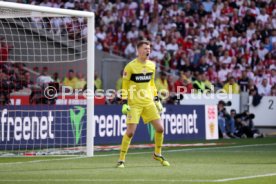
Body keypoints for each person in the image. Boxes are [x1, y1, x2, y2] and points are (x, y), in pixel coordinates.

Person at [117, 40, 170, 168]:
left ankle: (157, 154)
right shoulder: (130, 67)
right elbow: (125, 85)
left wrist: (156, 100)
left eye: (149, 48)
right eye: (145, 48)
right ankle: (121, 159)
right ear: (138, 50)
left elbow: (151, 84)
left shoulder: (152, 65)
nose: (148, 50)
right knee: (130, 132)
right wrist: (124, 102)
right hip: (134, 104)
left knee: (160, 128)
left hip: (148, 102)